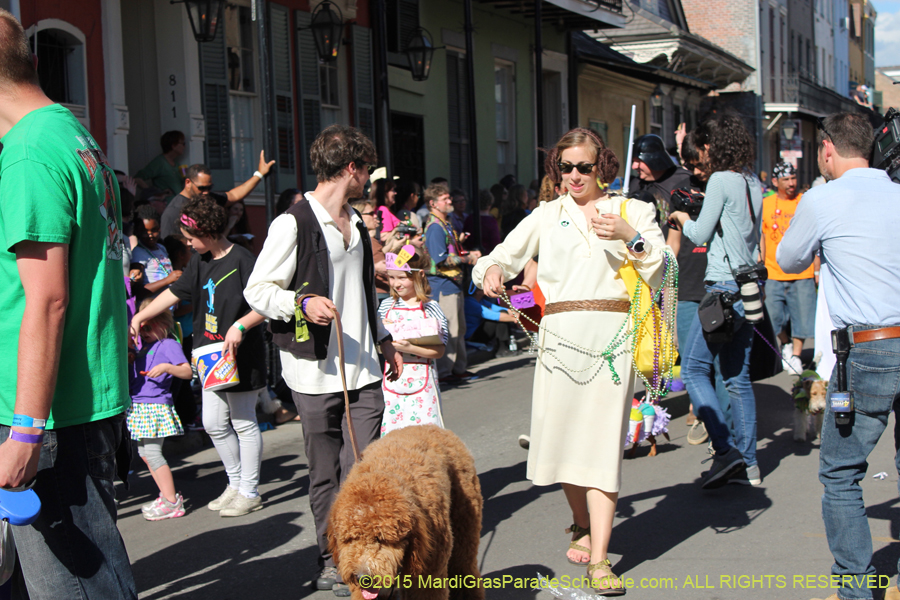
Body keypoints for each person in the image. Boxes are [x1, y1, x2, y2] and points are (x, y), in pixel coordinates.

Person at [475, 127, 669, 596]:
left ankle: (600, 560)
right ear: (556, 170)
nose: (575, 176)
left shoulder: (632, 209)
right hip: (559, 341)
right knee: (561, 444)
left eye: (584, 166)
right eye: (566, 167)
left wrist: (628, 236)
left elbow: (662, 265)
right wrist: (492, 271)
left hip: (613, 338)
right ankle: (580, 520)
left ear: (601, 165)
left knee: (602, 446)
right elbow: (494, 258)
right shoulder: (546, 214)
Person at [0, 9, 137, 597]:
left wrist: (27, 432)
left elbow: (48, 299)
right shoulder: (71, 132)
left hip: (45, 412)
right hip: (83, 394)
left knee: (80, 588)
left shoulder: (28, 153)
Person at [244, 124, 402, 596]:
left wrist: (386, 338)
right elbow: (258, 289)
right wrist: (300, 303)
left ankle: (366, 557)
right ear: (351, 169)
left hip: (364, 367)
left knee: (364, 472)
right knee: (326, 474)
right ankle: (331, 557)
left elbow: (363, 295)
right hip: (313, 372)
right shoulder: (292, 222)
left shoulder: (356, 222)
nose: (369, 182)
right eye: (367, 172)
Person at [777, 112, 900, 600]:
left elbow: (788, 260)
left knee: (841, 473)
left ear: (828, 149)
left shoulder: (824, 197)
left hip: (869, 349)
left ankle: (854, 589)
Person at [131, 196, 269, 518]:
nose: (188, 244)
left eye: (191, 238)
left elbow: (265, 304)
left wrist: (239, 326)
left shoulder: (243, 260)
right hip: (210, 358)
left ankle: (249, 490)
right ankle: (234, 484)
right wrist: (140, 317)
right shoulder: (199, 261)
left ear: (206, 232)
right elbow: (174, 293)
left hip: (241, 356)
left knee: (243, 421)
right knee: (213, 423)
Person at [669, 113, 764, 488]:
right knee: (737, 377)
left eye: (704, 145)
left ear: (713, 145)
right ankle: (750, 465)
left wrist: (679, 216)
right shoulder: (751, 180)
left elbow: (699, 233)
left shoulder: (722, 180)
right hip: (748, 288)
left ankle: (725, 451)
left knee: (693, 369)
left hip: (722, 288)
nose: (702, 152)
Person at [669, 130, 732, 443]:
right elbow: (672, 242)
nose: (696, 171)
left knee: (719, 363)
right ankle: (704, 413)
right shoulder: (681, 190)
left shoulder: (725, 184)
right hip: (687, 286)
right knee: (691, 360)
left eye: (699, 163)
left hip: (718, 284)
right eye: (690, 164)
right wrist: (666, 281)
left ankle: (721, 424)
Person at [128, 298, 192, 520]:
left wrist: (167, 367)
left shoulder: (168, 345)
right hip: (139, 405)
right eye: (141, 327)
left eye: (149, 326)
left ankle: (172, 501)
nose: (144, 331)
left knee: (153, 453)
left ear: (163, 323)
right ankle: (166, 496)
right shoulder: (143, 347)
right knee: (145, 453)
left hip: (154, 405)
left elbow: (187, 372)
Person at [378, 250, 449, 435]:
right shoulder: (386, 306)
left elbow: (439, 351)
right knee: (393, 436)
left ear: (419, 275)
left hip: (423, 384)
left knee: (426, 436)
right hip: (392, 383)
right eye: (391, 278)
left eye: (402, 277)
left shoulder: (431, 308)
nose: (396, 284)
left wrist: (411, 348)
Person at [760, 161, 818, 374]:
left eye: (794, 178)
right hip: (773, 272)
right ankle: (785, 343)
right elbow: (762, 236)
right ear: (775, 182)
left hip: (802, 270)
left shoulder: (804, 202)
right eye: (786, 179)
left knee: (802, 316)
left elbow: (815, 236)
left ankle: (796, 355)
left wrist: (818, 269)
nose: (792, 183)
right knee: (772, 317)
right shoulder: (766, 204)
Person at [424, 183, 481, 383]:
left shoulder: (444, 224)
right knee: (448, 329)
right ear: (433, 203)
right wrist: (467, 259)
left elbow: (450, 253)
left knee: (459, 329)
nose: (450, 202)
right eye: (445, 199)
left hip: (452, 285)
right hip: (443, 286)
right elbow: (440, 259)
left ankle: (458, 369)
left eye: (449, 198)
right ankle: (446, 372)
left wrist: (463, 251)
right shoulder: (434, 228)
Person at [159, 152, 274, 239]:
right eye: (202, 188)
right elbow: (169, 246)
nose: (206, 192)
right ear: (188, 182)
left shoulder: (208, 199)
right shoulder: (173, 212)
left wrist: (259, 174)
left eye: (209, 188)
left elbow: (233, 195)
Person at [628, 133, 692, 222]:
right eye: (633, 161)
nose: (634, 166)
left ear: (654, 159)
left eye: (639, 161)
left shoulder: (683, 180)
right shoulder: (636, 184)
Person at [132, 204, 182, 295]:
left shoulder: (161, 248)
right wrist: (167, 280)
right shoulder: (138, 253)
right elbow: (138, 292)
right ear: (137, 231)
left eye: (154, 230)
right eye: (145, 231)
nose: (150, 235)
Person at [464, 287, 519, 357]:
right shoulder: (469, 302)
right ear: (477, 291)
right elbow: (492, 315)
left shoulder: (480, 300)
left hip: (480, 332)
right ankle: (502, 349)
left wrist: (513, 313)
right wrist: (517, 319)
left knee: (503, 312)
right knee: (498, 319)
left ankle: (503, 346)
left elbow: (496, 308)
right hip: (472, 337)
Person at [135, 130, 185, 201]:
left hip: (178, 205)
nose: (184, 146)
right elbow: (137, 178)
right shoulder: (159, 162)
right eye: (183, 143)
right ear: (173, 145)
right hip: (166, 207)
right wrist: (155, 193)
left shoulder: (177, 164)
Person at [464, 189, 502, 253]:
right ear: (490, 203)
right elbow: (496, 243)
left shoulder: (469, 219)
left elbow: (465, 240)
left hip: (471, 255)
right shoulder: (491, 221)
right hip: (487, 256)